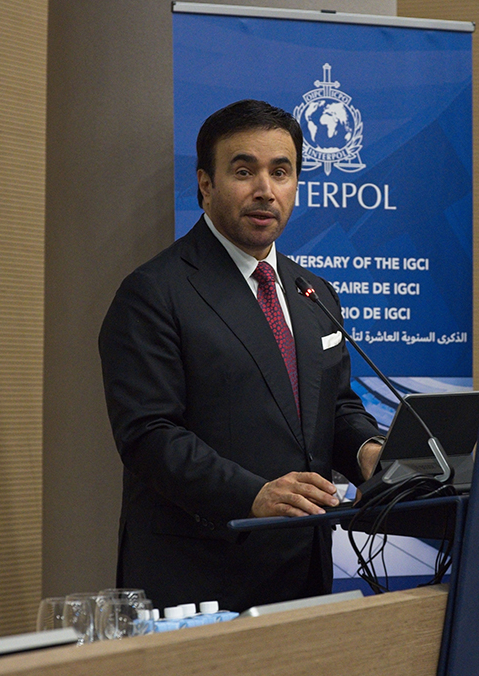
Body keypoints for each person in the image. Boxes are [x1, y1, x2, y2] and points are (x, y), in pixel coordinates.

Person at [99, 99, 383, 612]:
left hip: (303, 572)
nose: (265, 190)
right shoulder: (154, 293)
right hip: (200, 580)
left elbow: (335, 407)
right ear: (206, 184)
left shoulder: (313, 292)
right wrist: (252, 494)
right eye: (244, 171)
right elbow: (148, 435)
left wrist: (368, 451)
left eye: (281, 172)